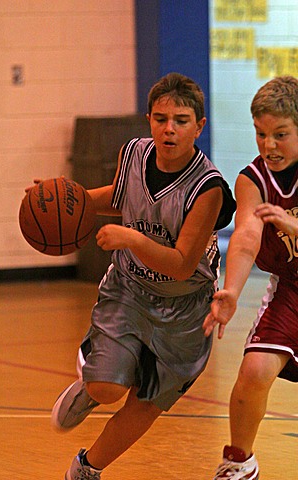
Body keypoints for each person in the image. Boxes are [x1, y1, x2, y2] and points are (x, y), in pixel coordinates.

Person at [51, 72, 236, 480]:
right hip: (131, 288)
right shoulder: (134, 152)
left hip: (187, 308)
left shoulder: (209, 188)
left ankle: (86, 469)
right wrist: (67, 198)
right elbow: (120, 197)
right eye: (159, 118)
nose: (168, 128)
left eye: (181, 120)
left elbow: (182, 263)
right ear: (149, 119)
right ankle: (91, 386)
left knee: (146, 403)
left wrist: (131, 237)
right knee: (108, 388)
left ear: (199, 126)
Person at [203, 75, 298, 479]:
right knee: (255, 369)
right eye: (261, 134)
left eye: (281, 134)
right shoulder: (252, 179)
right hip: (291, 290)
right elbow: (245, 237)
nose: (269, 145)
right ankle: (238, 462)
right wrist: (231, 290)